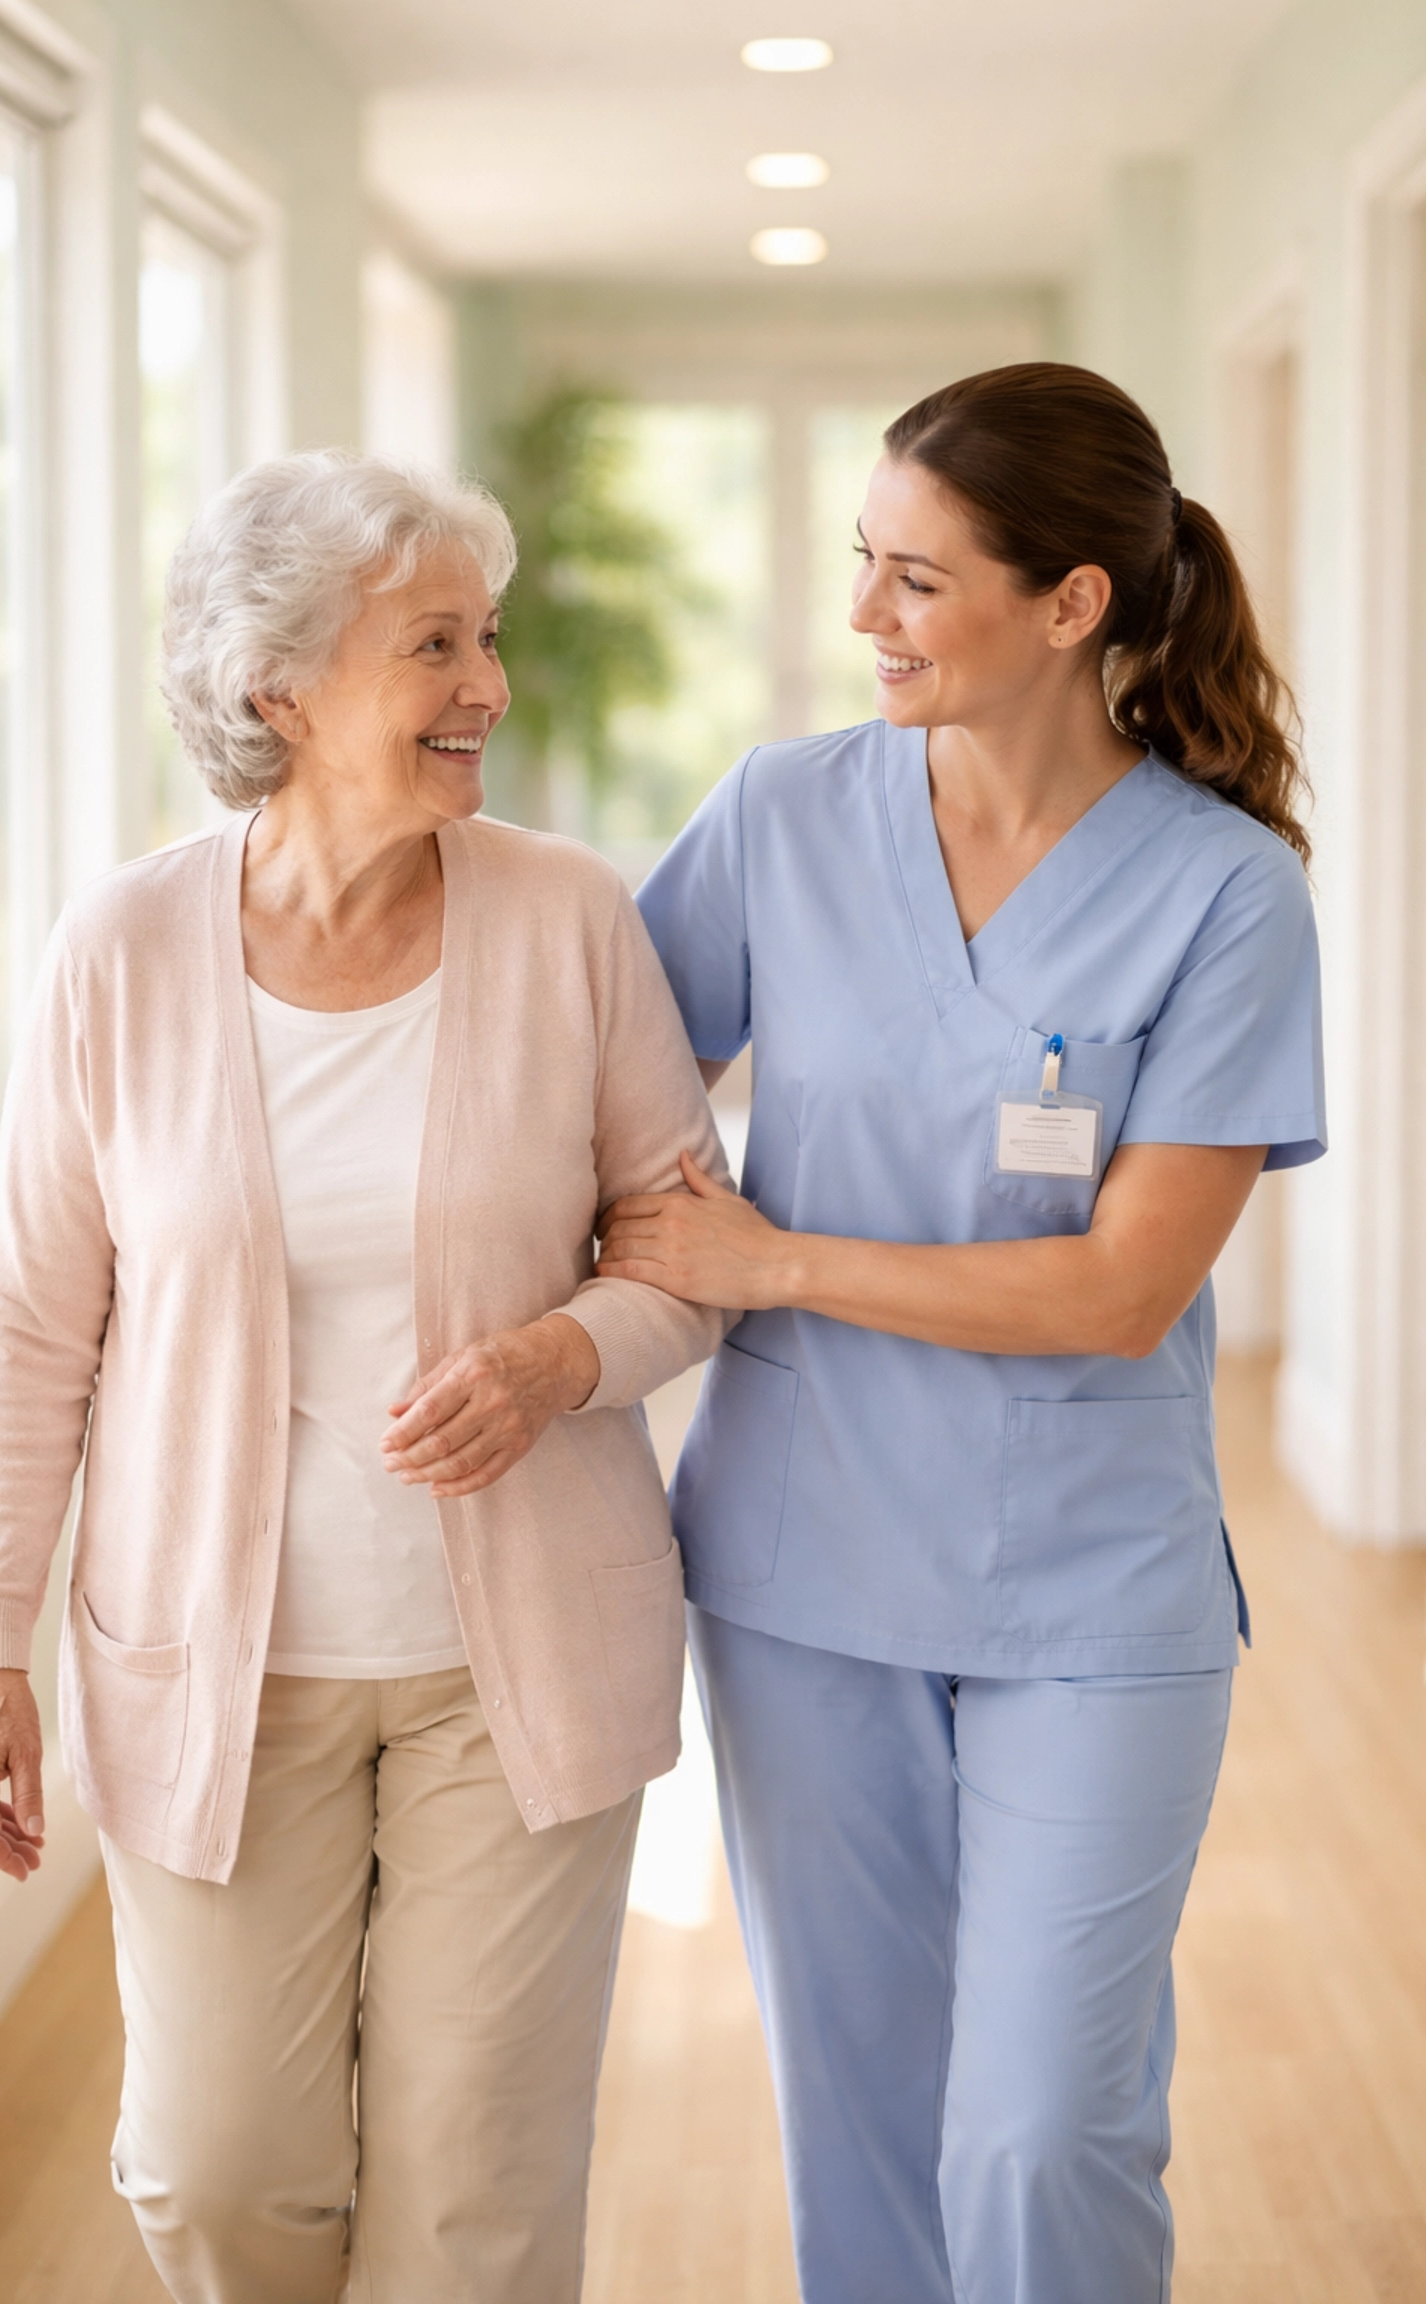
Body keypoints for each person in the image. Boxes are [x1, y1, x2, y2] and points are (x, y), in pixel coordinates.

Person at [0, 451, 728, 2304]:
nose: (492, 688)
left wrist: (556, 1356)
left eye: (491, 637)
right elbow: (37, 1327)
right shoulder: (121, 953)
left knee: (475, 2206)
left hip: (513, 1664)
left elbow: (690, 1253)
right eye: (435, 645)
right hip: (213, 1668)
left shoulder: (567, 920)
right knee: (219, 2176)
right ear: (277, 687)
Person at [600, 363, 1325, 2304]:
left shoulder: (1226, 896)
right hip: (801, 1571)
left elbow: (1120, 1290)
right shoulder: (781, 814)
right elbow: (590, 1083)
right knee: (859, 2109)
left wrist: (780, 1261)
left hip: (1087, 1593)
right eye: (865, 565)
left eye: (917, 581)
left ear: (1071, 604)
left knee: (1041, 2129)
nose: (865, 620)